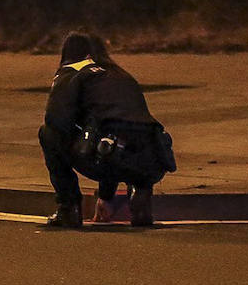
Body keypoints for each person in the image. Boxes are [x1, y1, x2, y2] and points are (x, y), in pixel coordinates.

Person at [38, 31, 176, 228]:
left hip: (107, 156)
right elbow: (119, 126)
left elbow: (56, 121)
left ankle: (68, 208)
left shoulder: (71, 74)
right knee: (125, 137)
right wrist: (105, 197)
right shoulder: (121, 75)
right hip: (150, 161)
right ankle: (141, 197)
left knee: (48, 133)